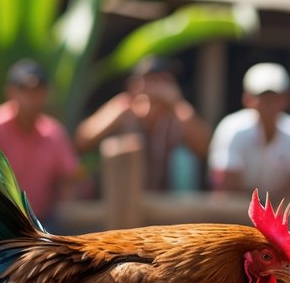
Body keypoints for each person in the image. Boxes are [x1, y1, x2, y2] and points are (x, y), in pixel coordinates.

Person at [0, 59, 82, 226]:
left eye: (37, 90)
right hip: (0, 223)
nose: (31, 97)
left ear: (46, 93)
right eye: (24, 90)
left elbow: (68, 179)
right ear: (10, 91)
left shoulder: (53, 133)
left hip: (45, 225)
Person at [75, 55, 210, 193]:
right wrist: (117, 113)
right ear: (134, 84)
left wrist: (177, 104)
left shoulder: (177, 112)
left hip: (168, 201)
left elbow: (206, 149)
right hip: (124, 198)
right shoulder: (122, 108)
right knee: (115, 147)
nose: (158, 87)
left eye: (164, 80)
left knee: (184, 158)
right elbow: (81, 141)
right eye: (152, 79)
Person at [208, 62, 290, 197]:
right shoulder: (231, 128)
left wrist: (272, 212)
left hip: (281, 212)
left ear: (286, 98)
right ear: (247, 99)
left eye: (275, 97)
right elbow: (225, 182)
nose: (269, 103)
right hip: (235, 211)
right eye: (263, 97)